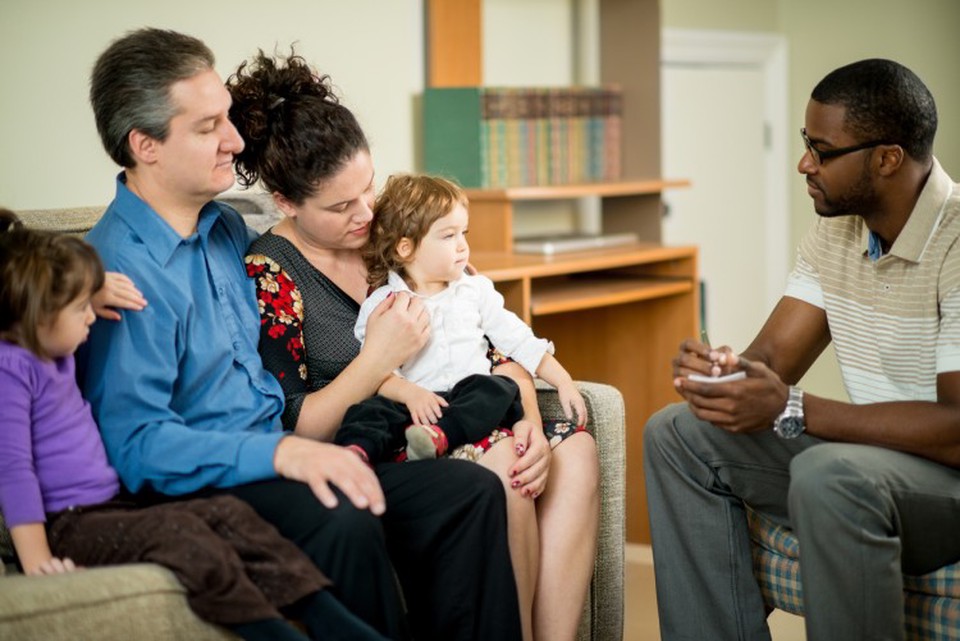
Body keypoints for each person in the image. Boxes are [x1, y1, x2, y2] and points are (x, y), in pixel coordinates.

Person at [78, 28, 521, 641]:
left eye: (227, 119)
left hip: (275, 460)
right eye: (208, 127)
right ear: (145, 145)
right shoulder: (114, 272)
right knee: (343, 513)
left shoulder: (226, 231)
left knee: (467, 493)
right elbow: (136, 444)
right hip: (208, 482)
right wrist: (282, 450)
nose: (234, 141)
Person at [231, 49, 599, 641]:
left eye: (368, 189)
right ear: (285, 202)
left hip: (460, 405)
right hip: (383, 442)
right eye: (340, 206)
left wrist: (527, 407)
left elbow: (477, 329)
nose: (365, 214)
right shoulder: (269, 276)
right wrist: (377, 358)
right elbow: (296, 427)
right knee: (501, 471)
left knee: (574, 451)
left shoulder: (396, 241)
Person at [643, 58, 960, 641]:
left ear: (887, 158)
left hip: (944, 485)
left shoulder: (957, 241)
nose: (804, 163)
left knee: (826, 472)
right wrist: (724, 376)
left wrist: (795, 407)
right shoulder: (837, 230)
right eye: (803, 142)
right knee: (676, 432)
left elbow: (957, 430)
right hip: (866, 463)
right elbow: (773, 362)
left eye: (822, 149)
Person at [0, 215, 387, 641]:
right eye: (78, 309)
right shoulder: (11, 370)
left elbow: (48, 299)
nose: (91, 318)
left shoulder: (52, 345)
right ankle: (273, 632)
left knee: (232, 517)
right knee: (186, 540)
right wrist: (35, 559)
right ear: (37, 315)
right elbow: (13, 470)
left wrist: (90, 290)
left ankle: (329, 616)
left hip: (116, 504)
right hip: (72, 524)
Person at [333, 172, 587, 463]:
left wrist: (563, 381)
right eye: (448, 235)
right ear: (406, 248)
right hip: (413, 404)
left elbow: (519, 340)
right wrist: (410, 393)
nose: (462, 246)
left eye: (463, 233)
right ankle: (357, 453)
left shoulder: (475, 290)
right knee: (368, 411)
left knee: (499, 389)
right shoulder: (383, 305)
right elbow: (378, 371)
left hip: (469, 399)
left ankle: (440, 437)